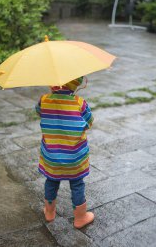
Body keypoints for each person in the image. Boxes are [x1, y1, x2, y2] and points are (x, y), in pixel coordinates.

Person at [35, 76, 94, 229]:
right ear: (75, 84)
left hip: (52, 157)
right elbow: (89, 122)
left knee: (51, 181)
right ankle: (80, 217)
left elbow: (39, 113)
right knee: (77, 184)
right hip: (75, 157)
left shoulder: (44, 100)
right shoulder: (79, 103)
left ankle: (49, 212)